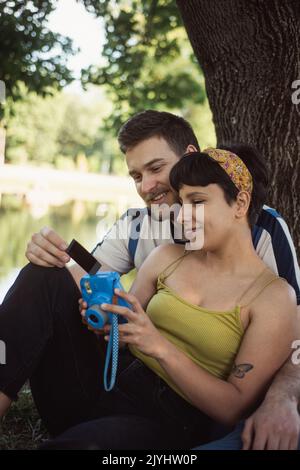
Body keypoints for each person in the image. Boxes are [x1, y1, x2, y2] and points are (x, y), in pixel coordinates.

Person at [0, 111, 299, 449]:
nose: (145, 186)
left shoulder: (268, 240)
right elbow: (89, 280)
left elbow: (294, 336)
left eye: (156, 169)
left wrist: (283, 398)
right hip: (111, 384)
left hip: (169, 418)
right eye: (136, 176)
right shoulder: (148, 235)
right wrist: (52, 255)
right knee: (44, 275)